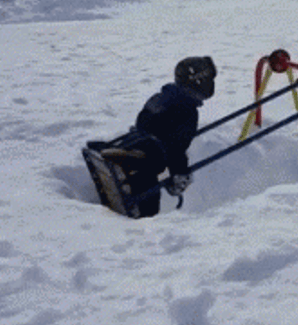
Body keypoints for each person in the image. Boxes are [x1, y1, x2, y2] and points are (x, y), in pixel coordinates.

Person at [87, 56, 216, 218]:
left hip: (138, 140)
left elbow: (143, 121)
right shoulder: (188, 111)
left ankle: (125, 153)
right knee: (149, 206)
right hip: (149, 159)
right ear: (199, 82)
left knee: (144, 151)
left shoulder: (162, 96)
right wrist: (179, 174)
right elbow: (177, 148)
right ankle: (136, 160)